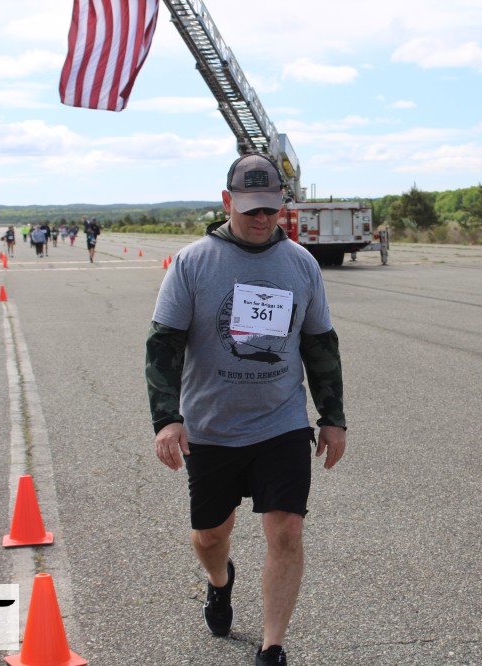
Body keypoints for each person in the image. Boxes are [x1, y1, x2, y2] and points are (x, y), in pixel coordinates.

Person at [145, 153, 346, 666]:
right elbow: (164, 345)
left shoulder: (300, 264)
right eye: (250, 207)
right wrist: (167, 417)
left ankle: (271, 647)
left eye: (270, 208)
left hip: (281, 422)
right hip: (212, 427)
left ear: (282, 205)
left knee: (287, 530)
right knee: (212, 534)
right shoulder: (193, 263)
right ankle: (219, 581)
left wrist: (332, 417)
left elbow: (320, 344)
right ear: (227, 201)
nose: (261, 218)